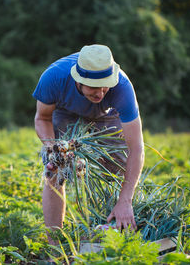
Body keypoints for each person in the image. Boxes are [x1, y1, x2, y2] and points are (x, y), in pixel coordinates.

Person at [33, 44, 144, 244]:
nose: (101, 93)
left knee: (118, 170)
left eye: (105, 86)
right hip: (66, 112)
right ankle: (55, 246)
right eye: (94, 86)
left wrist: (125, 200)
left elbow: (137, 149)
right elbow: (42, 119)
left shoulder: (122, 88)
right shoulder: (54, 78)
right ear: (78, 80)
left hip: (107, 116)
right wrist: (54, 148)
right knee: (55, 169)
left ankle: (111, 232)